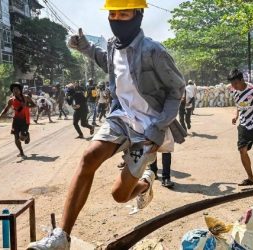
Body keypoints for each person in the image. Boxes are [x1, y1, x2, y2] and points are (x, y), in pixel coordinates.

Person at [27, 1, 186, 249]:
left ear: (138, 15)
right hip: (121, 117)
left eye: (124, 13)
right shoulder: (113, 46)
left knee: (119, 196)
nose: (117, 18)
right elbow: (107, 62)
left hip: (147, 127)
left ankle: (145, 183)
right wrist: (85, 48)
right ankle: (62, 237)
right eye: (113, 14)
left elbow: (177, 92)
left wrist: (158, 129)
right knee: (89, 156)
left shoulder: (154, 51)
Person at [0, 83, 36, 158]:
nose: (15, 91)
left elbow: (34, 105)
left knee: (22, 137)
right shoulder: (11, 100)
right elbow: (6, 109)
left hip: (25, 120)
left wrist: (26, 106)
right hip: (16, 120)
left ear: (20, 90)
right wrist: (0, 115)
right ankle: (21, 152)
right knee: (16, 137)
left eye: (17, 89)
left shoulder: (26, 97)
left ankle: (26, 135)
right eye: (14, 90)